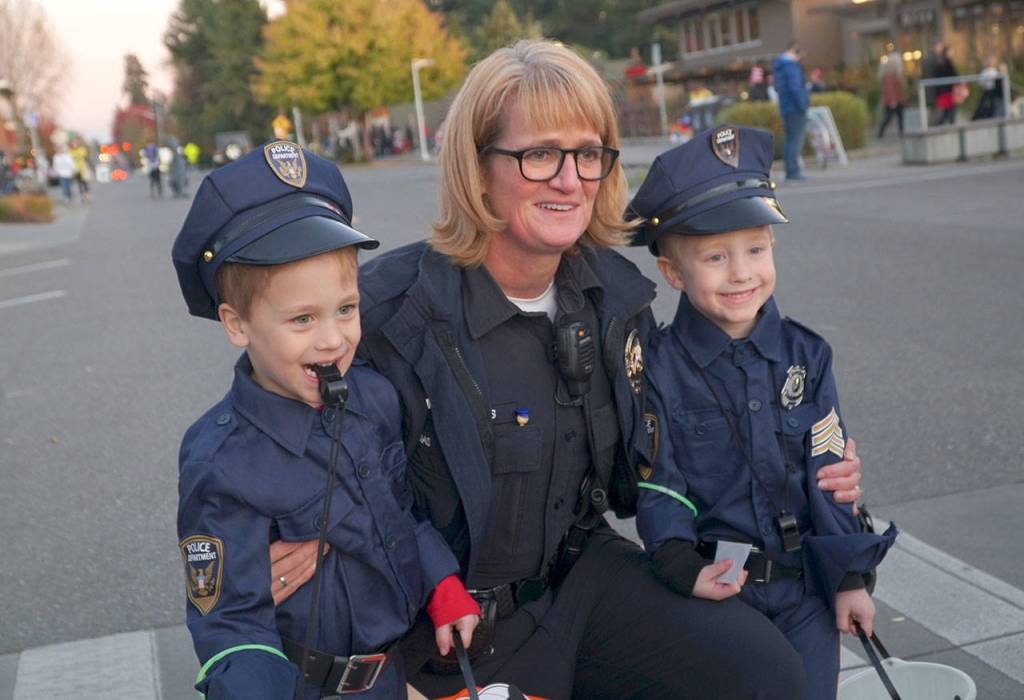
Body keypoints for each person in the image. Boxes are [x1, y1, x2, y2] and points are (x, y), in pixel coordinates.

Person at [270, 40, 864, 699]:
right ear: (477, 167)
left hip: (574, 586)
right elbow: (272, 440)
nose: (569, 179)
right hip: (428, 631)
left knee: (762, 672)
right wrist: (288, 527)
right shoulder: (386, 315)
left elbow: (666, 458)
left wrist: (808, 457)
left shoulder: (614, 301)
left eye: (587, 154)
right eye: (540, 154)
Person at [171, 140, 479, 698]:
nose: (334, 339)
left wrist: (442, 584)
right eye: (302, 319)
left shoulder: (374, 398)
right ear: (237, 324)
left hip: (391, 677)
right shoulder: (221, 462)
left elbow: (400, 514)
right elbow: (230, 624)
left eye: (346, 308)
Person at [628, 125, 897, 700]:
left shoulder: (808, 355)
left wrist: (849, 577)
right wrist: (679, 564)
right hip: (719, 590)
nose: (741, 272)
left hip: (805, 592)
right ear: (673, 273)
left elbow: (830, 475)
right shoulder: (659, 368)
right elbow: (661, 484)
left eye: (756, 248)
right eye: (715, 257)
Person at [773, 41, 810, 181]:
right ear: (794, 51)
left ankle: (790, 170)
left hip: (786, 107)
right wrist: (803, 105)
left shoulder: (779, 66)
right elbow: (796, 88)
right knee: (796, 140)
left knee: (789, 140)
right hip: (795, 108)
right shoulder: (790, 66)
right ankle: (793, 172)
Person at [877, 51, 906, 138]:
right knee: (889, 117)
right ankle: (881, 132)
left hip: (898, 99)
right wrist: (893, 100)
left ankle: (901, 132)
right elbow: (889, 89)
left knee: (899, 117)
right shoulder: (889, 75)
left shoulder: (896, 74)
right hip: (893, 100)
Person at [929, 43, 959, 126]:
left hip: (945, 91)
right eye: (951, 51)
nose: (953, 53)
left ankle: (942, 125)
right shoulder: (946, 62)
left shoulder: (943, 62)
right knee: (947, 112)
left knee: (947, 112)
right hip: (946, 92)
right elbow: (953, 75)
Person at [972, 56, 1005, 120]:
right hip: (992, 91)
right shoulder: (994, 71)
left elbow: (980, 82)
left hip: (987, 91)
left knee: (982, 104)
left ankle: (978, 117)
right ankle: (990, 116)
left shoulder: (985, 71)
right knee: (991, 105)